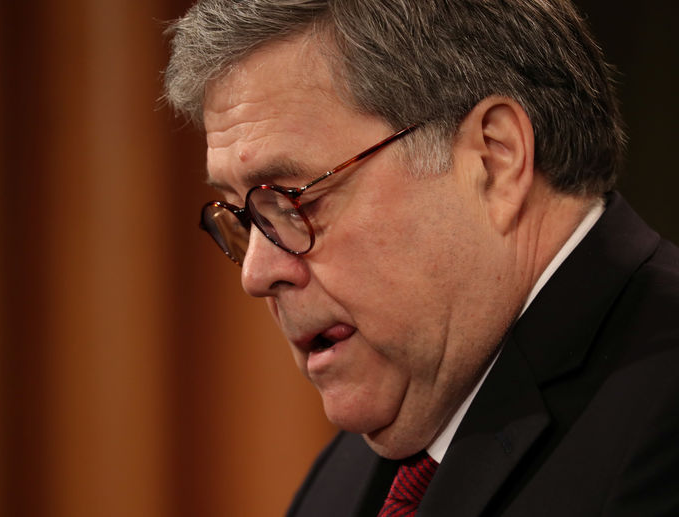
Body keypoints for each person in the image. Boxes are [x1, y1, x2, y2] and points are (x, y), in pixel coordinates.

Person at [163, 1, 679, 515]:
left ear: (493, 160)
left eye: (296, 201)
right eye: (247, 218)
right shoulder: (340, 484)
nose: (255, 275)